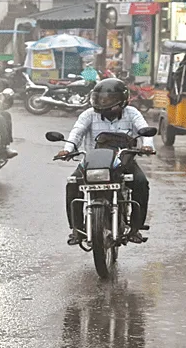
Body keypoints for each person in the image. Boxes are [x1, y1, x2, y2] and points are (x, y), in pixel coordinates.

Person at [56, 78, 154, 245]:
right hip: (92, 162)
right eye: (100, 99)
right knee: (72, 184)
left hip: (123, 162)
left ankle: (135, 228)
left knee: (141, 183)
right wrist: (68, 149)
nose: (103, 103)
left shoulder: (132, 113)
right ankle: (77, 229)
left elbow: (144, 130)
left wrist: (147, 146)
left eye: (109, 99)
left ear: (122, 99)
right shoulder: (88, 114)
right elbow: (77, 132)